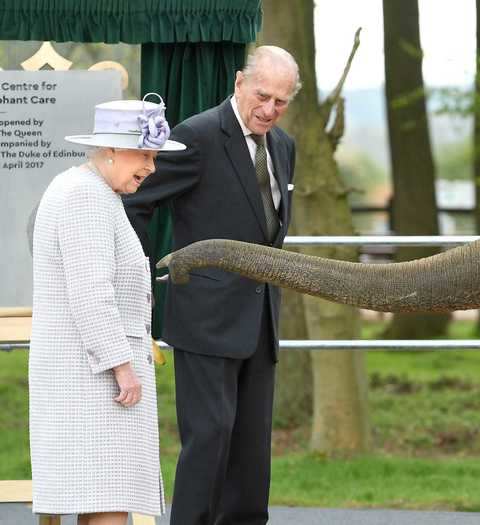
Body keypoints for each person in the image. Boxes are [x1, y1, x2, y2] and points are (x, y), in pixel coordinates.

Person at [123, 46, 300, 525]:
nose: (269, 110)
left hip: (261, 320)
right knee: (210, 437)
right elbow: (135, 204)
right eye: (263, 96)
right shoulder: (196, 135)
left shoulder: (283, 146)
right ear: (240, 82)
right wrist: (142, 273)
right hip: (204, 318)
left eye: (281, 102)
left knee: (250, 445)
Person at [29, 94, 185, 525]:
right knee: (108, 496)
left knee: (103, 494)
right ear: (112, 150)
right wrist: (121, 365)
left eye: (155, 156)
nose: (152, 167)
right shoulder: (86, 196)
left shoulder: (90, 190)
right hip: (92, 377)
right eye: (146, 154)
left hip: (85, 371)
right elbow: (92, 290)